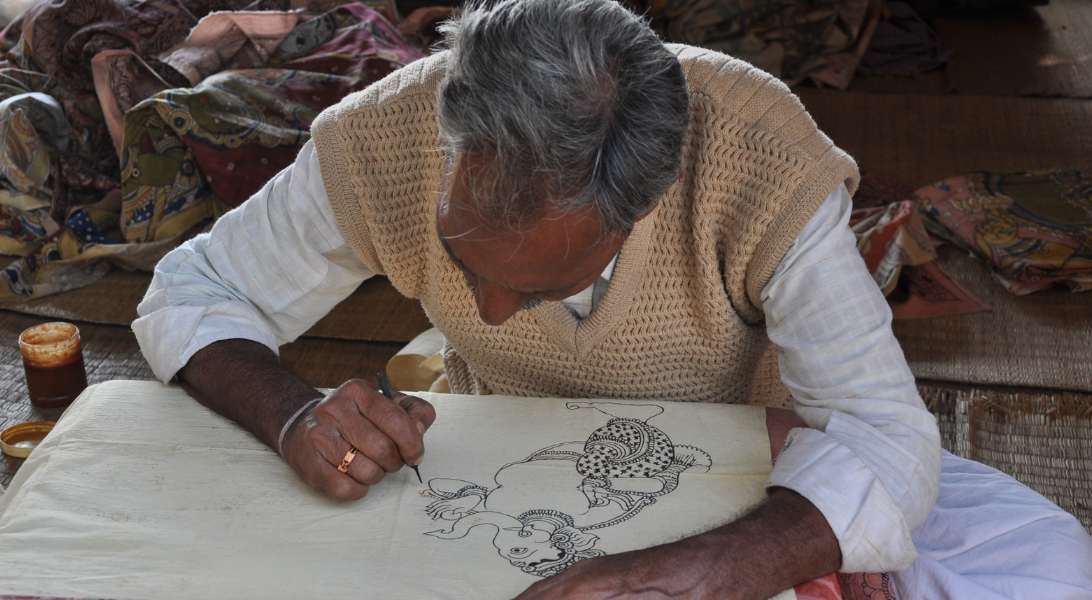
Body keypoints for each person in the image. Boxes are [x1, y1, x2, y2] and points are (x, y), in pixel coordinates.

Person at [132, 0, 1092, 598]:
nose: (490, 315)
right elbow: (192, 290)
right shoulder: (384, 138)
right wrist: (295, 414)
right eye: (466, 265)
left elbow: (880, 435)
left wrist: (683, 577)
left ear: (640, 209)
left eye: (536, 284)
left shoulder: (760, 160)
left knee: (1052, 566)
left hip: (749, 469)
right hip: (511, 459)